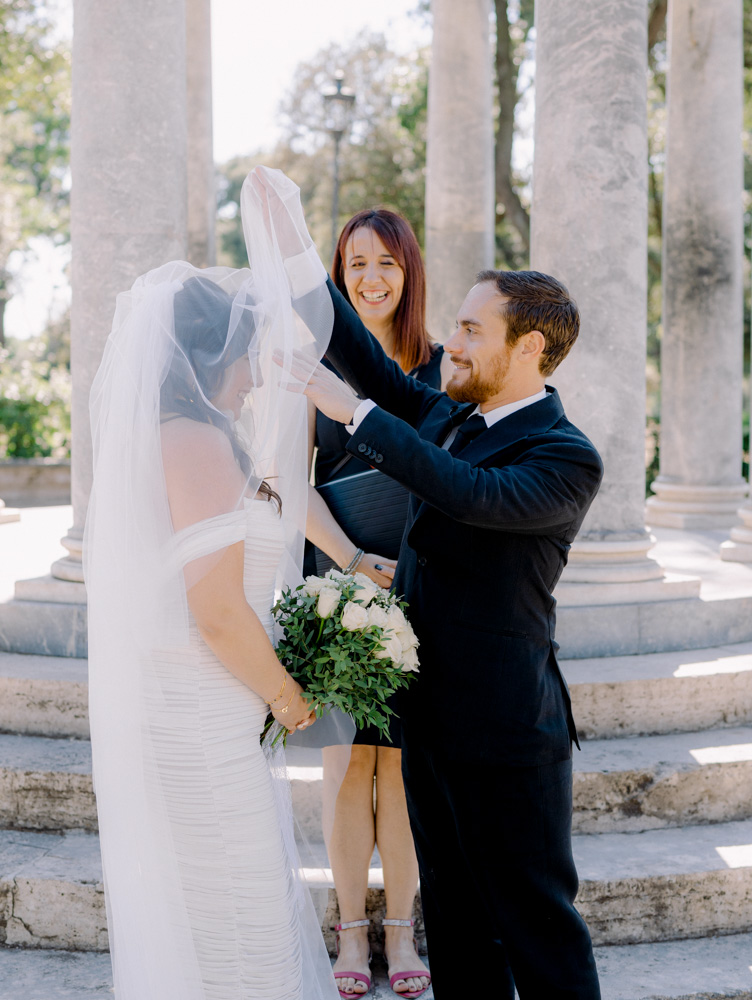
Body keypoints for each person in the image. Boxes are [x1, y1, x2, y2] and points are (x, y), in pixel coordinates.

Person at [253, 168, 604, 999]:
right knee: (453, 923)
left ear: (531, 349)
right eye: (455, 326)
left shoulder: (563, 455)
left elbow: (470, 495)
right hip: (429, 718)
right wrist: (301, 254)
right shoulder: (452, 413)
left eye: (473, 330)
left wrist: (355, 416)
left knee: (537, 925)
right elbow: (373, 366)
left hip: (509, 730)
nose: (452, 343)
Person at [84, 170, 348, 1000]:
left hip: (213, 710)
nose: (256, 371)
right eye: (245, 351)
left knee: (239, 908)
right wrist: (288, 698)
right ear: (209, 355)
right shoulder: (191, 438)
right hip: (201, 711)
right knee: (240, 919)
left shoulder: (201, 435)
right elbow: (217, 610)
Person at [308, 209, 449, 1000]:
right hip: (335, 588)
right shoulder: (315, 365)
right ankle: (350, 934)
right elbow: (285, 485)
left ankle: (403, 931)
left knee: (399, 772)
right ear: (338, 272)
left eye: (386, 262)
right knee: (344, 766)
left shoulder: (437, 372)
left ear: (409, 271)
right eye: (355, 263)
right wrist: (353, 561)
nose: (370, 278)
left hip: (418, 592)